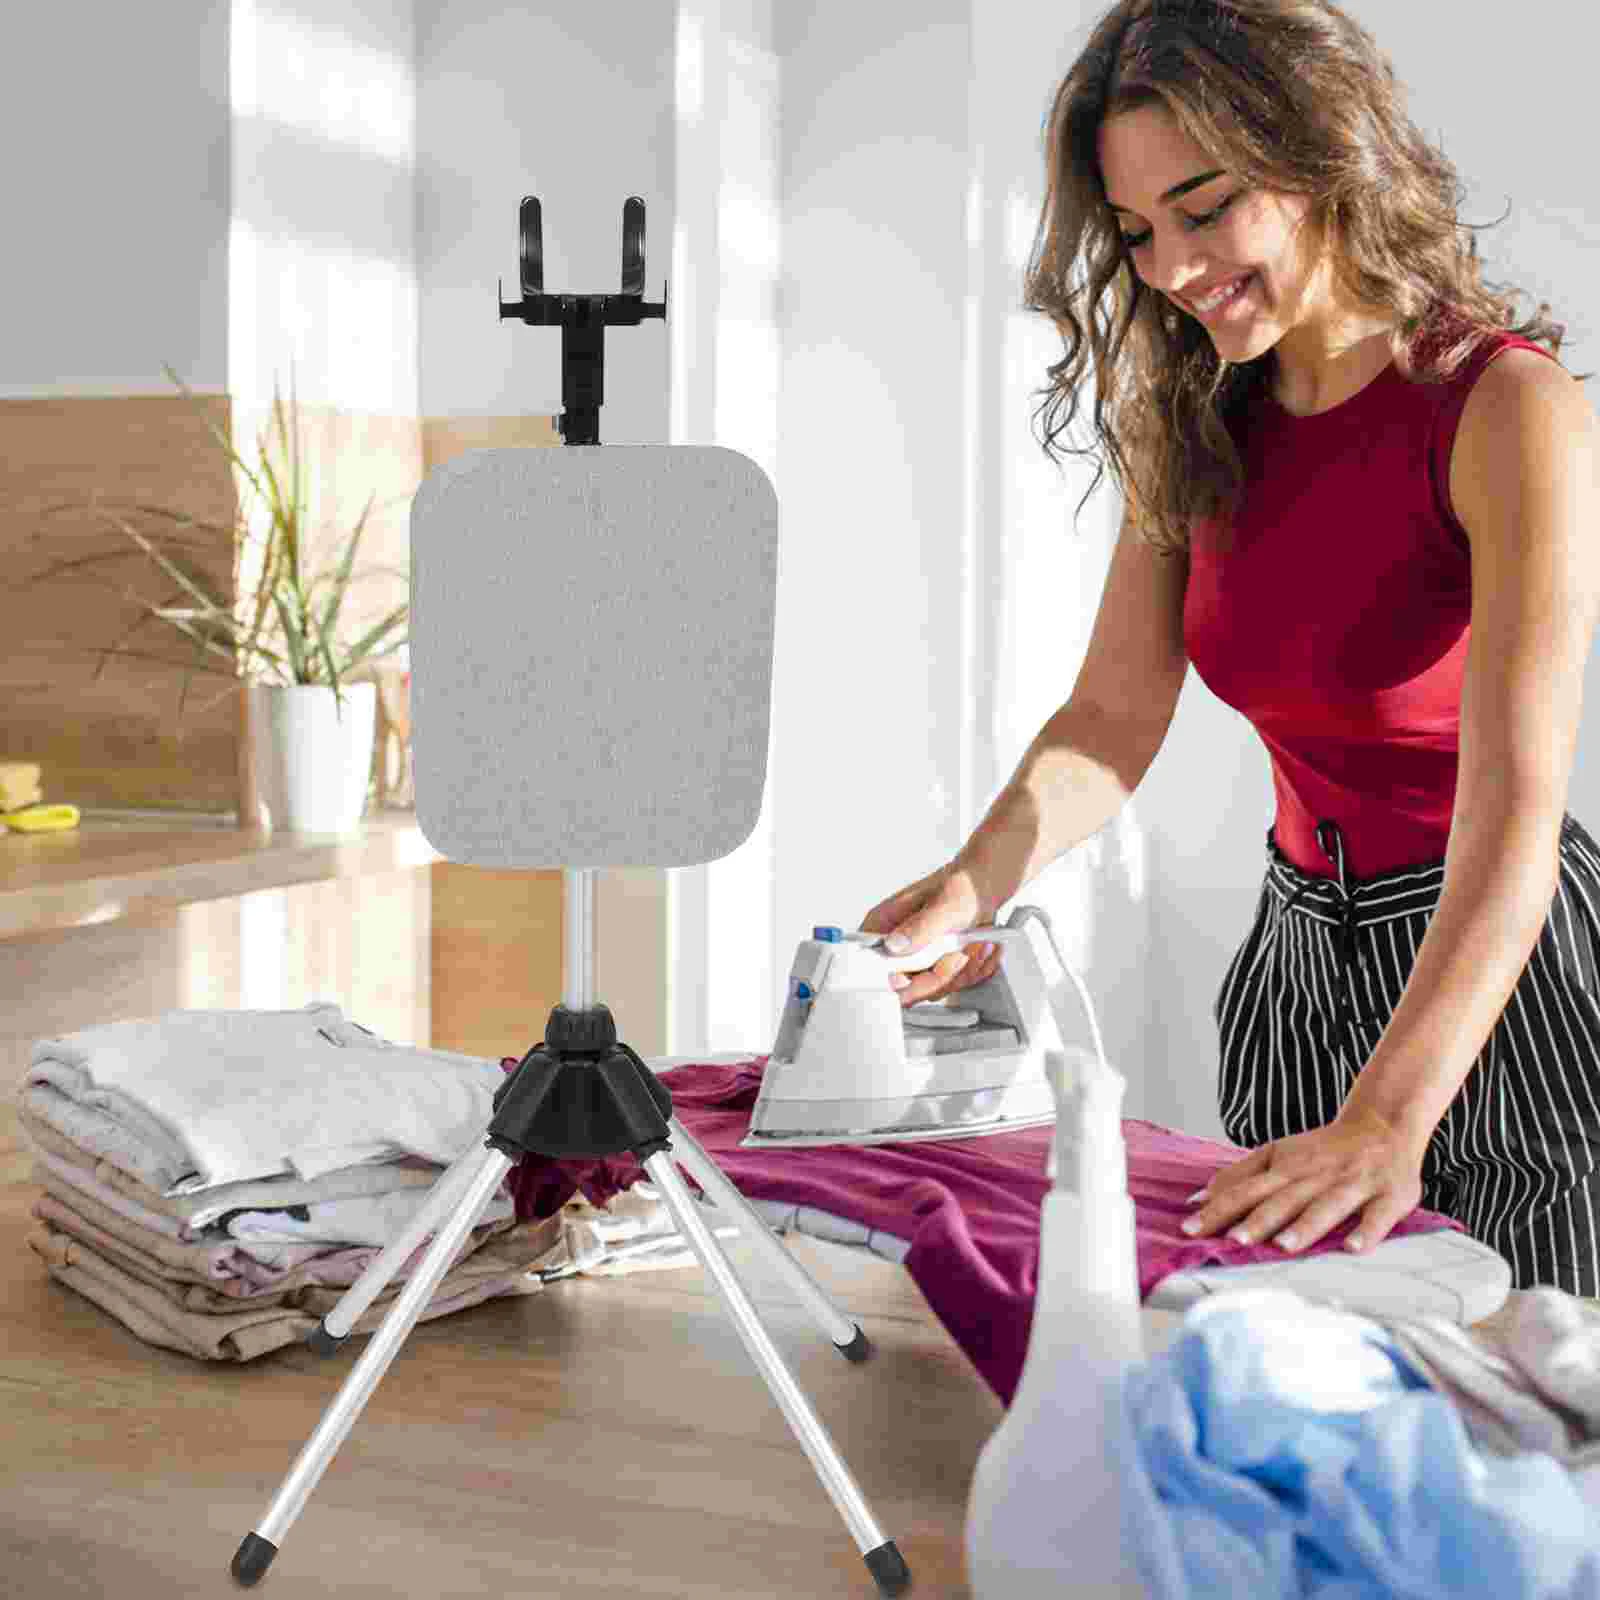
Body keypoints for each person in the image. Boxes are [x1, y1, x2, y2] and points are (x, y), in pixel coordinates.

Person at [859, 0, 1600, 1296]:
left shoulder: (1505, 408)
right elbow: (1111, 719)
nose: (1170, 268)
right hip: (1295, 962)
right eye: (1139, 232)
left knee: (1526, 1381)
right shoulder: (1194, 418)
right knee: (1292, 1367)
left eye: (1205, 210)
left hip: (1499, 968)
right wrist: (968, 887)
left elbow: (1512, 814)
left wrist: (1390, 1117)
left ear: (1322, 157)